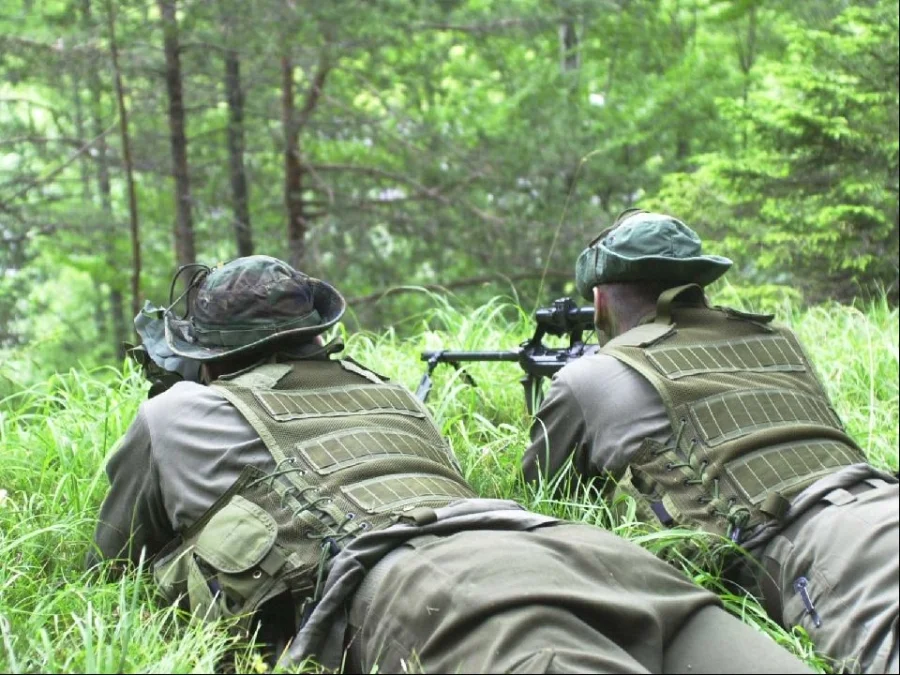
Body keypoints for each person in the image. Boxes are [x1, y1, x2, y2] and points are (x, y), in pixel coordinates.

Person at [88, 255, 814, 674]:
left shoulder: (175, 413)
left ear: (207, 357)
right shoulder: (390, 392)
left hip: (439, 589)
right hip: (574, 548)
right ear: (315, 335)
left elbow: (111, 566)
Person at [523, 209, 899, 674]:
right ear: (699, 281)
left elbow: (543, 503)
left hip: (824, 550)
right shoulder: (779, 339)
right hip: (881, 496)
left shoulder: (590, 377)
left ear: (600, 303)